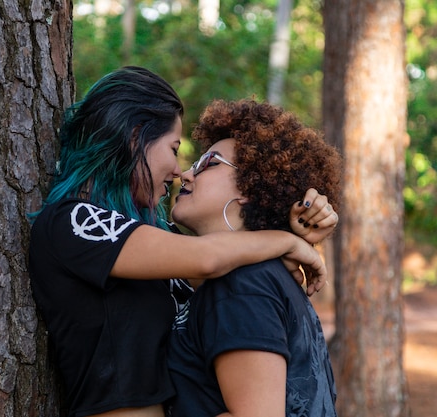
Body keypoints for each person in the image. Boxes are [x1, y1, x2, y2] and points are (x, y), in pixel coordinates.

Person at [28, 67, 337, 417]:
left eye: (206, 163)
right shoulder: (75, 221)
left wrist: (296, 229)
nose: (179, 170)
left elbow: (238, 282)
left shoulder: (161, 238)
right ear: (135, 138)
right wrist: (288, 241)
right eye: (174, 149)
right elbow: (208, 260)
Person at [166, 98, 342, 417]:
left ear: (250, 187)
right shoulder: (265, 274)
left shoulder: (240, 285)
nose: (186, 175)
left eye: (210, 163)